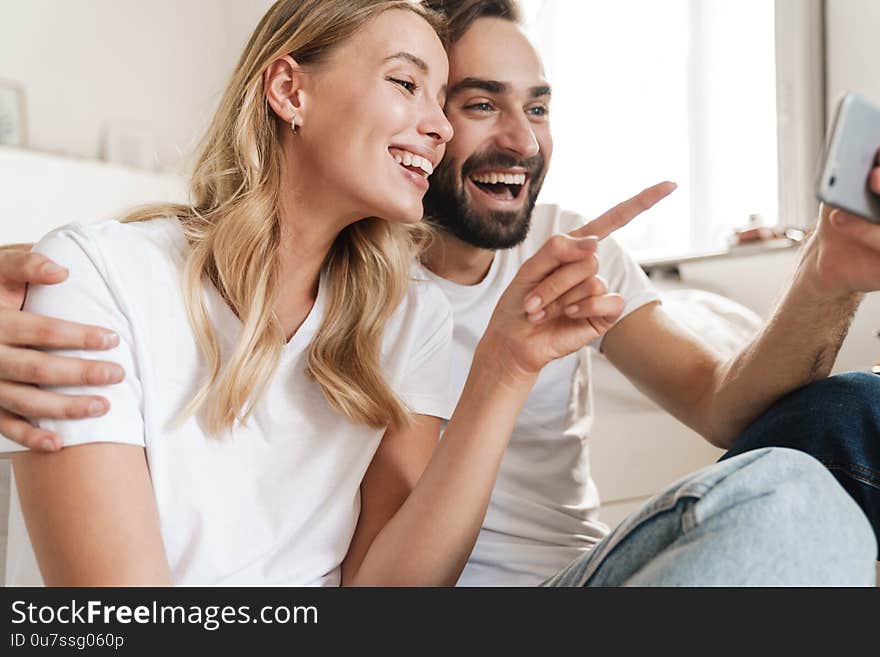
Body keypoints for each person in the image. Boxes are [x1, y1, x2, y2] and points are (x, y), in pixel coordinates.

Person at [1, 0, 877, 586]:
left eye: (536, 106)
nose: (440, 122)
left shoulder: (398, 318)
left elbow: (386, 595)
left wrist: (505, 359)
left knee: (799, 486)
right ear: (288, 87)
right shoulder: (100, 280)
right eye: (421, 89)